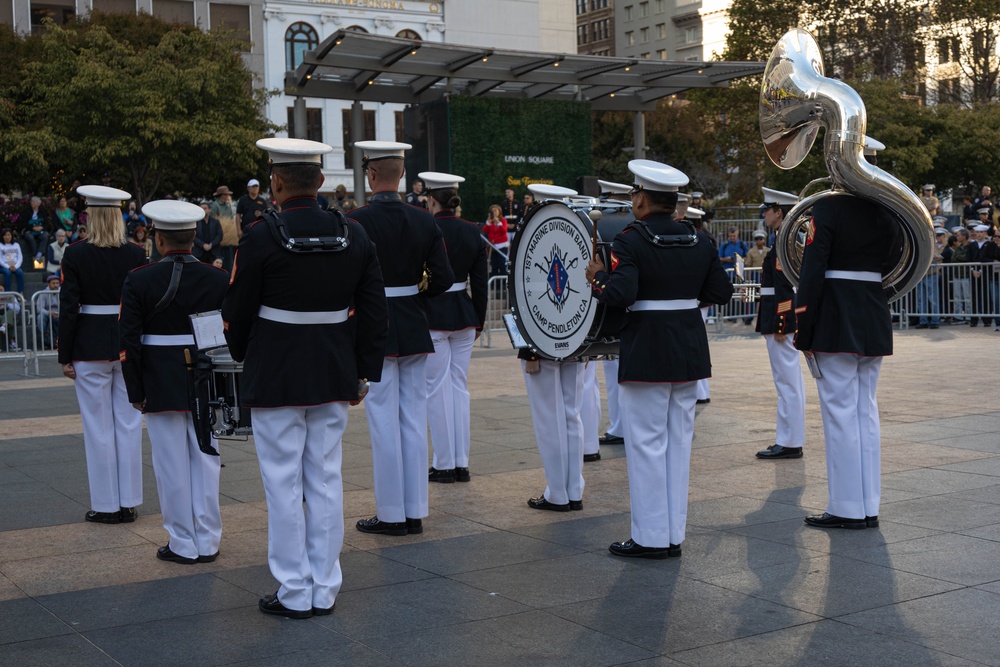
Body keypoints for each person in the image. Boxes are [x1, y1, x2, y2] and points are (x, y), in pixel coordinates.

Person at [223, 137, 388, 618]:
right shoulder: (353, 234)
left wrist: (243, 356)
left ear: (274, 182)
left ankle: (295, 589)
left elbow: (236, 310)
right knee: (325, 478)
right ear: (319, 182)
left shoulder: (259, 235)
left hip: (276, 371)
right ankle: (324, 585)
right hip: (334, 369)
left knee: (282, 483)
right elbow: (375, 313)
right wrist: (363, 372)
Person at [586, 160, 733, 558]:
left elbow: (622, 294)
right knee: (678, 444)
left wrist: (597, 278)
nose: (632, 199)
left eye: (635, 193)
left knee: (646, 444)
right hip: (687, 347)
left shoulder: (631, 240)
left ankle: (650, 537)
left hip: (648, 347)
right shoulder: (699, 240)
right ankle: (672, 534)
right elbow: (721, 291)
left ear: (643, 199)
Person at [347, 140, 454, 537]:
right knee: (412, 419)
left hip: (375, 328)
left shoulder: (356, 220)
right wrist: (414, 293)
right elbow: (441, 278)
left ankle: (391, 513)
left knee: (383, 423)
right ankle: (414, 511)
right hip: (412, 323)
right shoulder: (425, 220)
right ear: (402, 175)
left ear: (371, 174)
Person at [793, 140, 900, 530]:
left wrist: (804, 322)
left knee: (840, 414)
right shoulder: (891, 209)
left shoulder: (829, 207)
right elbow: (894, 261)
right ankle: (868, 504)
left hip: (836, 315)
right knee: (865, 411)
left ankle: (846, 507)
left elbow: (813, 267)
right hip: (872, 311)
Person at [119, 200, 230, 564]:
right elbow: (225, 334)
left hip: (160, 375)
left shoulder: (139, 279)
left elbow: (129, 341)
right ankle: (209, 539)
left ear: (159, 240)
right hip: (205, 375)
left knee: (170, 463)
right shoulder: (216, 277)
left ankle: (183, 541)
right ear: (195, 237)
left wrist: (135, 390)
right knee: (206, 457)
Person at [59, 185, 146, 524]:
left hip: (88, 345)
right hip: (126, 344)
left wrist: (64, 355)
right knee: (128, 423)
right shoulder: (136, 254)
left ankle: (106, 505)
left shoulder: (76, 253)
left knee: (98, 427)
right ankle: (129, 503)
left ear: (91, 216)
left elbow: (69, 309)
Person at [420, 172, 488, 484]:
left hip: (434, 313)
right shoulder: (472, 230)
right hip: (464, 312)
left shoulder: (426, 227)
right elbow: (481, 281)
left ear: (432, 199)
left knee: (436, 389)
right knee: (459, 387)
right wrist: (480, 319)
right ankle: (461, 462)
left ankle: (444, 463)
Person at [754, 188, 806, 460]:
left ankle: (789, 441)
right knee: (788, 380)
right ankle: (789, 438)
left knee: (787, 381)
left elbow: (786, 285)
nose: (765, 214)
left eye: (768, 210)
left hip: (780, 318)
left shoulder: (785, 239)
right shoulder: (782, 238)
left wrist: (782, 323)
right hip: (775, 315)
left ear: (779, 212)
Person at [968, 224, 997, 327]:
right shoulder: (971, 245)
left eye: (981, 232)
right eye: (978, 232)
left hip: (985, 273)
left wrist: (980, 270)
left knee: (986, 296)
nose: (979, 234)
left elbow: (989, 258)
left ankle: (987, 320)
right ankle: (974, 320)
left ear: (985, 233)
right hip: (974, 274)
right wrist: (973, 270)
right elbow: (969, 259)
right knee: (974, 296)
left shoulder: (989, 244)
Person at [211, 185, 239, 270]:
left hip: (228, 237)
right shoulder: (215, 205)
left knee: (229, 259)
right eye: (226, 194)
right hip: (219, 235)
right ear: (222, 195)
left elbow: (230, 219)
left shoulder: (228, 205)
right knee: (219, 258)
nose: (228, 196)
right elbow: (213, 219)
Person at [22, 196, 51, 263]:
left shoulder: (42, 212)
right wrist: (32, 228)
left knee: (45, 236)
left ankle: (39, 254)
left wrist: (42, 227)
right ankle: (36, 255)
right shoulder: (27, 211)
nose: (32, 203)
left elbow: (46, 223)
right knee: (30, 237)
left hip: (40, 230)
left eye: (34, 201)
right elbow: (24, 223)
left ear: (38, 204)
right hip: (29, 230)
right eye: (31, 201)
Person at [483, 204, 509, 277]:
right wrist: (488, 222)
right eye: (492, 211)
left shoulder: (503, 220)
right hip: (493, 246)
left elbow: (504, 231)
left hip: (502, 245)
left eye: (495, 211)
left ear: (499, 212)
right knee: (494, 265)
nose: (494, 212)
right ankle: (495, 284)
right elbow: (485, 230)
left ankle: (503, 283)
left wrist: (498, 223)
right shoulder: (490, 221)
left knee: (501, 264)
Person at [36, 274, 61, 349]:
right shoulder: (43, 293)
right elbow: (39, 308)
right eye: (53, 283)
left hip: (60, 313)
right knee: (40, 317)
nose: (56, 285)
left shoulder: (62, 291)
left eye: (57, 283)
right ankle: (45, 338)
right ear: (49, 284)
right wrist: (49, 313)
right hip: (48, 313)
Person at [0, 228, 25, 293]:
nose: (7, 237)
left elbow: (20, 257)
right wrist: (8, 267)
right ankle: (7, 293)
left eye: (9, 235)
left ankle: (20, 293)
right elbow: (0, 259)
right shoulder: (0, 245)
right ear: (2, 236)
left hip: (15, 265)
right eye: (5, 235)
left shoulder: (16, 245)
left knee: (20, 273)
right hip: (4, 266)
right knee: (8, 273)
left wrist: (16, 267)